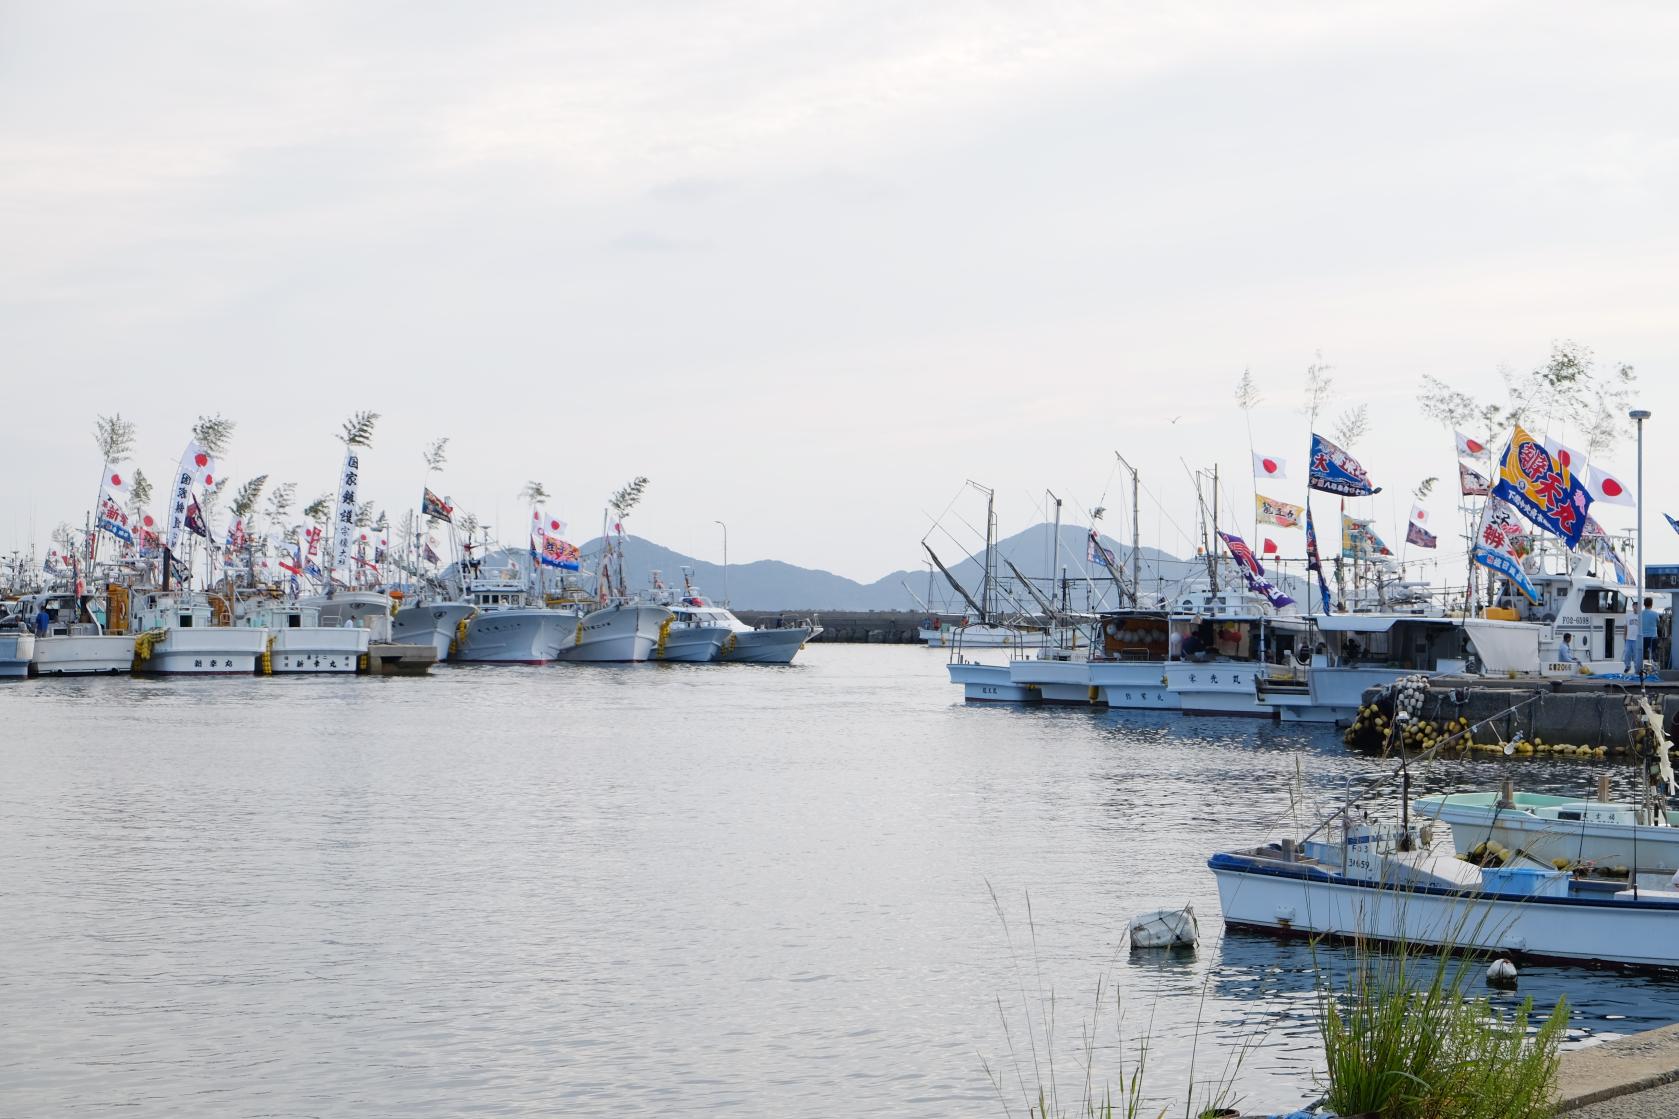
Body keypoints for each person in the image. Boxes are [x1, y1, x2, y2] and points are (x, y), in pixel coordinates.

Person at [1624, 604, 1641, 673]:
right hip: (1629, 638)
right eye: (1634, 606)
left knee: (1636, 656)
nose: (1635, 607)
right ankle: (1628, 666)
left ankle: (1637, 670)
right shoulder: (1628, 616)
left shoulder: (1640, 616)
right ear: (1633, 607)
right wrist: (1624, 635)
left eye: (1637, 606)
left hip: (1637, 639)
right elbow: (1625, 626)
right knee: (1627, 653)